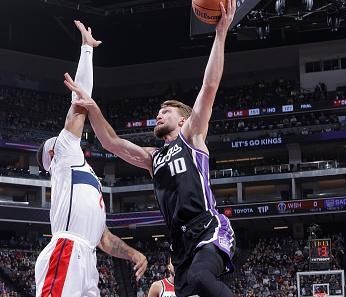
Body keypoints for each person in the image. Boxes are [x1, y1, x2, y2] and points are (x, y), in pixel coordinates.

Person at [64, 1, 236, 296]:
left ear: (182, 119)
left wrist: (220, 34)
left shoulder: (191, 137)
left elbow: (209, 87)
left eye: (165, 111)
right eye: (158, 111)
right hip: (180, 244)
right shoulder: (153, 158)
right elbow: (112, 143)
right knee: (194, 283)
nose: (159, 114)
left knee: (201, 278)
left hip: (208, 229)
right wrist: (92, 109)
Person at [34, 21, 147, 297]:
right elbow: (79, 106)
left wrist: (133, 254)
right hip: (67, 250)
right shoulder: (64, 153)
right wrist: (87, 49)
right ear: (52, 152)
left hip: (87, 257)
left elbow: (104, 238)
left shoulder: (90, 179)